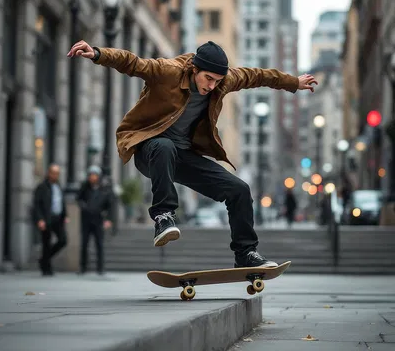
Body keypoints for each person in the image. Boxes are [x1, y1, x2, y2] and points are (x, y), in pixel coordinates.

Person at [67, 39, 317, 268]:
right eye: (208, 78)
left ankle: (246, 254)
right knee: (164, 146)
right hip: (149, 150)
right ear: (195, 69)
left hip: (183, 157)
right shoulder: (169, 71)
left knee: (239, 190)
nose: (212, 86)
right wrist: (98, 53)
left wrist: (293, 82)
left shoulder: (223, 80)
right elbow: (133, 63)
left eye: (218, 81)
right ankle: (164, 216)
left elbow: (257, 76)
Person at [33, 164, 68, 276]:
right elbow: (37, 204)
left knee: (63, 240)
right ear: (49, 173)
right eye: (53, 172)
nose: (55, 175)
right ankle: (46, 268)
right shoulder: (42, 187)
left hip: (58, 218)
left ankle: (44, 259)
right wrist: (40, 219)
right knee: (46, 243)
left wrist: (65, 215)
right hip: (46, 218)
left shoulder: (58, 186)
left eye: (57, 173)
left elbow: (61, 202)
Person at [76, 165, 113, 275]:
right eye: (91, 175)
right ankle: (83, 267)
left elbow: (109, 205)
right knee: (84, 244)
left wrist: (108, 220)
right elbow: (78, 199)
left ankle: (100, 268)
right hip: (86, 220)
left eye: (95, 175)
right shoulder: (84, 187)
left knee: (99, 244)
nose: (93, 177)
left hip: (98, 220)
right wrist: (84, 206)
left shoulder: (104, 189)